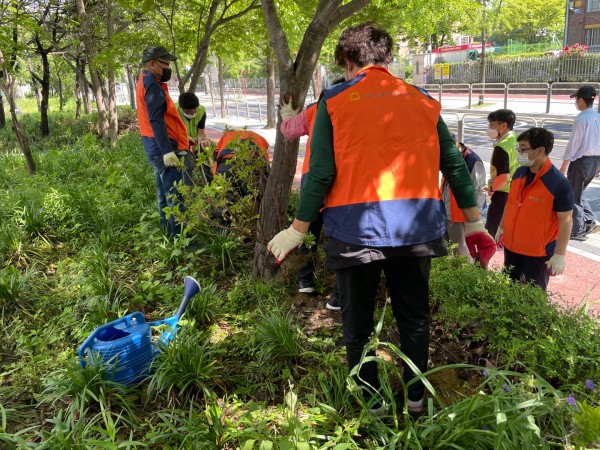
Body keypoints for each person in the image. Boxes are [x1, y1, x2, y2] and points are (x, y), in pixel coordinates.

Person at [267, 23, 495, 415]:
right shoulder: (423, 101)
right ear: (387, 60)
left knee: (357, 324)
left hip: (355, 232)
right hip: (417, 230)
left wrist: (297, 228)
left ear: (347, 60)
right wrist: (474, 222)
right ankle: (416, 401)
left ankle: (372, 405)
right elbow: (454, 164)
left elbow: (319, 172)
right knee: (414, 319)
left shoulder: (334, 102)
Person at [280, 79, 345, 309]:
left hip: (313, 177)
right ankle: (338, 293)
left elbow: (289, 131)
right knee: (342, 236)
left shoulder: (317, 108)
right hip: (345, 182)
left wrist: (287, 115)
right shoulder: (356, 108)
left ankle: (305, 281)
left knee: (308, 232)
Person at [495, 128, 573, 291]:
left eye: (523, 147)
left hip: (537, 253)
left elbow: (565, 221)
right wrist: (501, 227)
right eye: (519, 148)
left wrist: (560, 254)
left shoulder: (558, 184)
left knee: (534, 298)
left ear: (540, 150)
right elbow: (510, 203)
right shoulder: (519, 173)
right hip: (512, 247)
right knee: (509, 292)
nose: (519, 152)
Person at [136, 45, 191, 236]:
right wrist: (167, 150)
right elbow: (156, 120)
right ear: (152, 64)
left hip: (153, 146)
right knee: (175, 198)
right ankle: (181, 240)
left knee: (163, 195)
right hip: (163, 148)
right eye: (165, 64)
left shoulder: (145, 80)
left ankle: (167, 233)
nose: (168, 68)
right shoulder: (151, 85)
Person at [559, 85, 600, 241]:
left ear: (581, 101)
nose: (575, 102)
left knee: (574, 196)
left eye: (576, 99)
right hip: (595, 161)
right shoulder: (598, 117)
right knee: (579, 192)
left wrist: (563, 166)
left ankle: (578, 230)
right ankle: (590, 220)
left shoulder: (581, 119)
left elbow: (573, 145)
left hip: (582, 162)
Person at [441, 133, 487, 258]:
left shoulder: (472, 161)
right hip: (447, 213)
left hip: (461, 217)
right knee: (447, 253)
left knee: (460, 254)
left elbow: (479, 191)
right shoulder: (449, 157)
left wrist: (474, 220)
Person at [212, 129, 270, 226]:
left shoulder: (226, 138)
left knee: (222, 203)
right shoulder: (261, 142)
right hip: (248, 166)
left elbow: (216, 161)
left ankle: (221, 232)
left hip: (225, 166)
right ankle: (256, 230)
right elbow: (265, 170)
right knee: (257, 201)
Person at [484, 109, 519, 238]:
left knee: (491, 230)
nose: (489, 128)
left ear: (503, 125)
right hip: (516, 190)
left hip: (503, 193)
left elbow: (504, 176)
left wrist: (492, 189)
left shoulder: (502, 146)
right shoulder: (516, 139)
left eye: (492, 124)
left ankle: (483, 257)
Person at [177, 91, 213, 184]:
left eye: (194, 110)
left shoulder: (201, 111)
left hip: (195, 141)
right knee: (187, 166)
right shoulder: (174, 111)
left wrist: (202, 141)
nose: (192, 113)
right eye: (188, 111)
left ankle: (210, 186)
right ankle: (187, 192)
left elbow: (201, 132)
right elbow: (170, 131)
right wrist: (185, 138)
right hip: (179, 143)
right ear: (182, 108)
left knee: (205, 162)